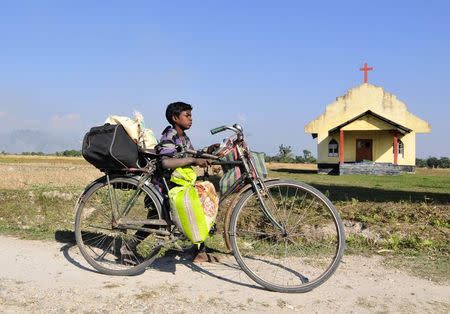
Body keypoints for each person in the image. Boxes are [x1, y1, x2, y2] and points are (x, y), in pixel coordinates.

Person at [156, 101, 218, 263]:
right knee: (160, 218)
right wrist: (193, 160)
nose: (191, 119)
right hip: (167, 184)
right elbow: (166, 162)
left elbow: (192, 154)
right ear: (175, 118)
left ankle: (200, 251)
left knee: (198, 205)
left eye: (191, 115)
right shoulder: (170, 135)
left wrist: (208, 152)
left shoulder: (184, 137)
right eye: (187, 115)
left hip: (180, 184)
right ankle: (128, 247)